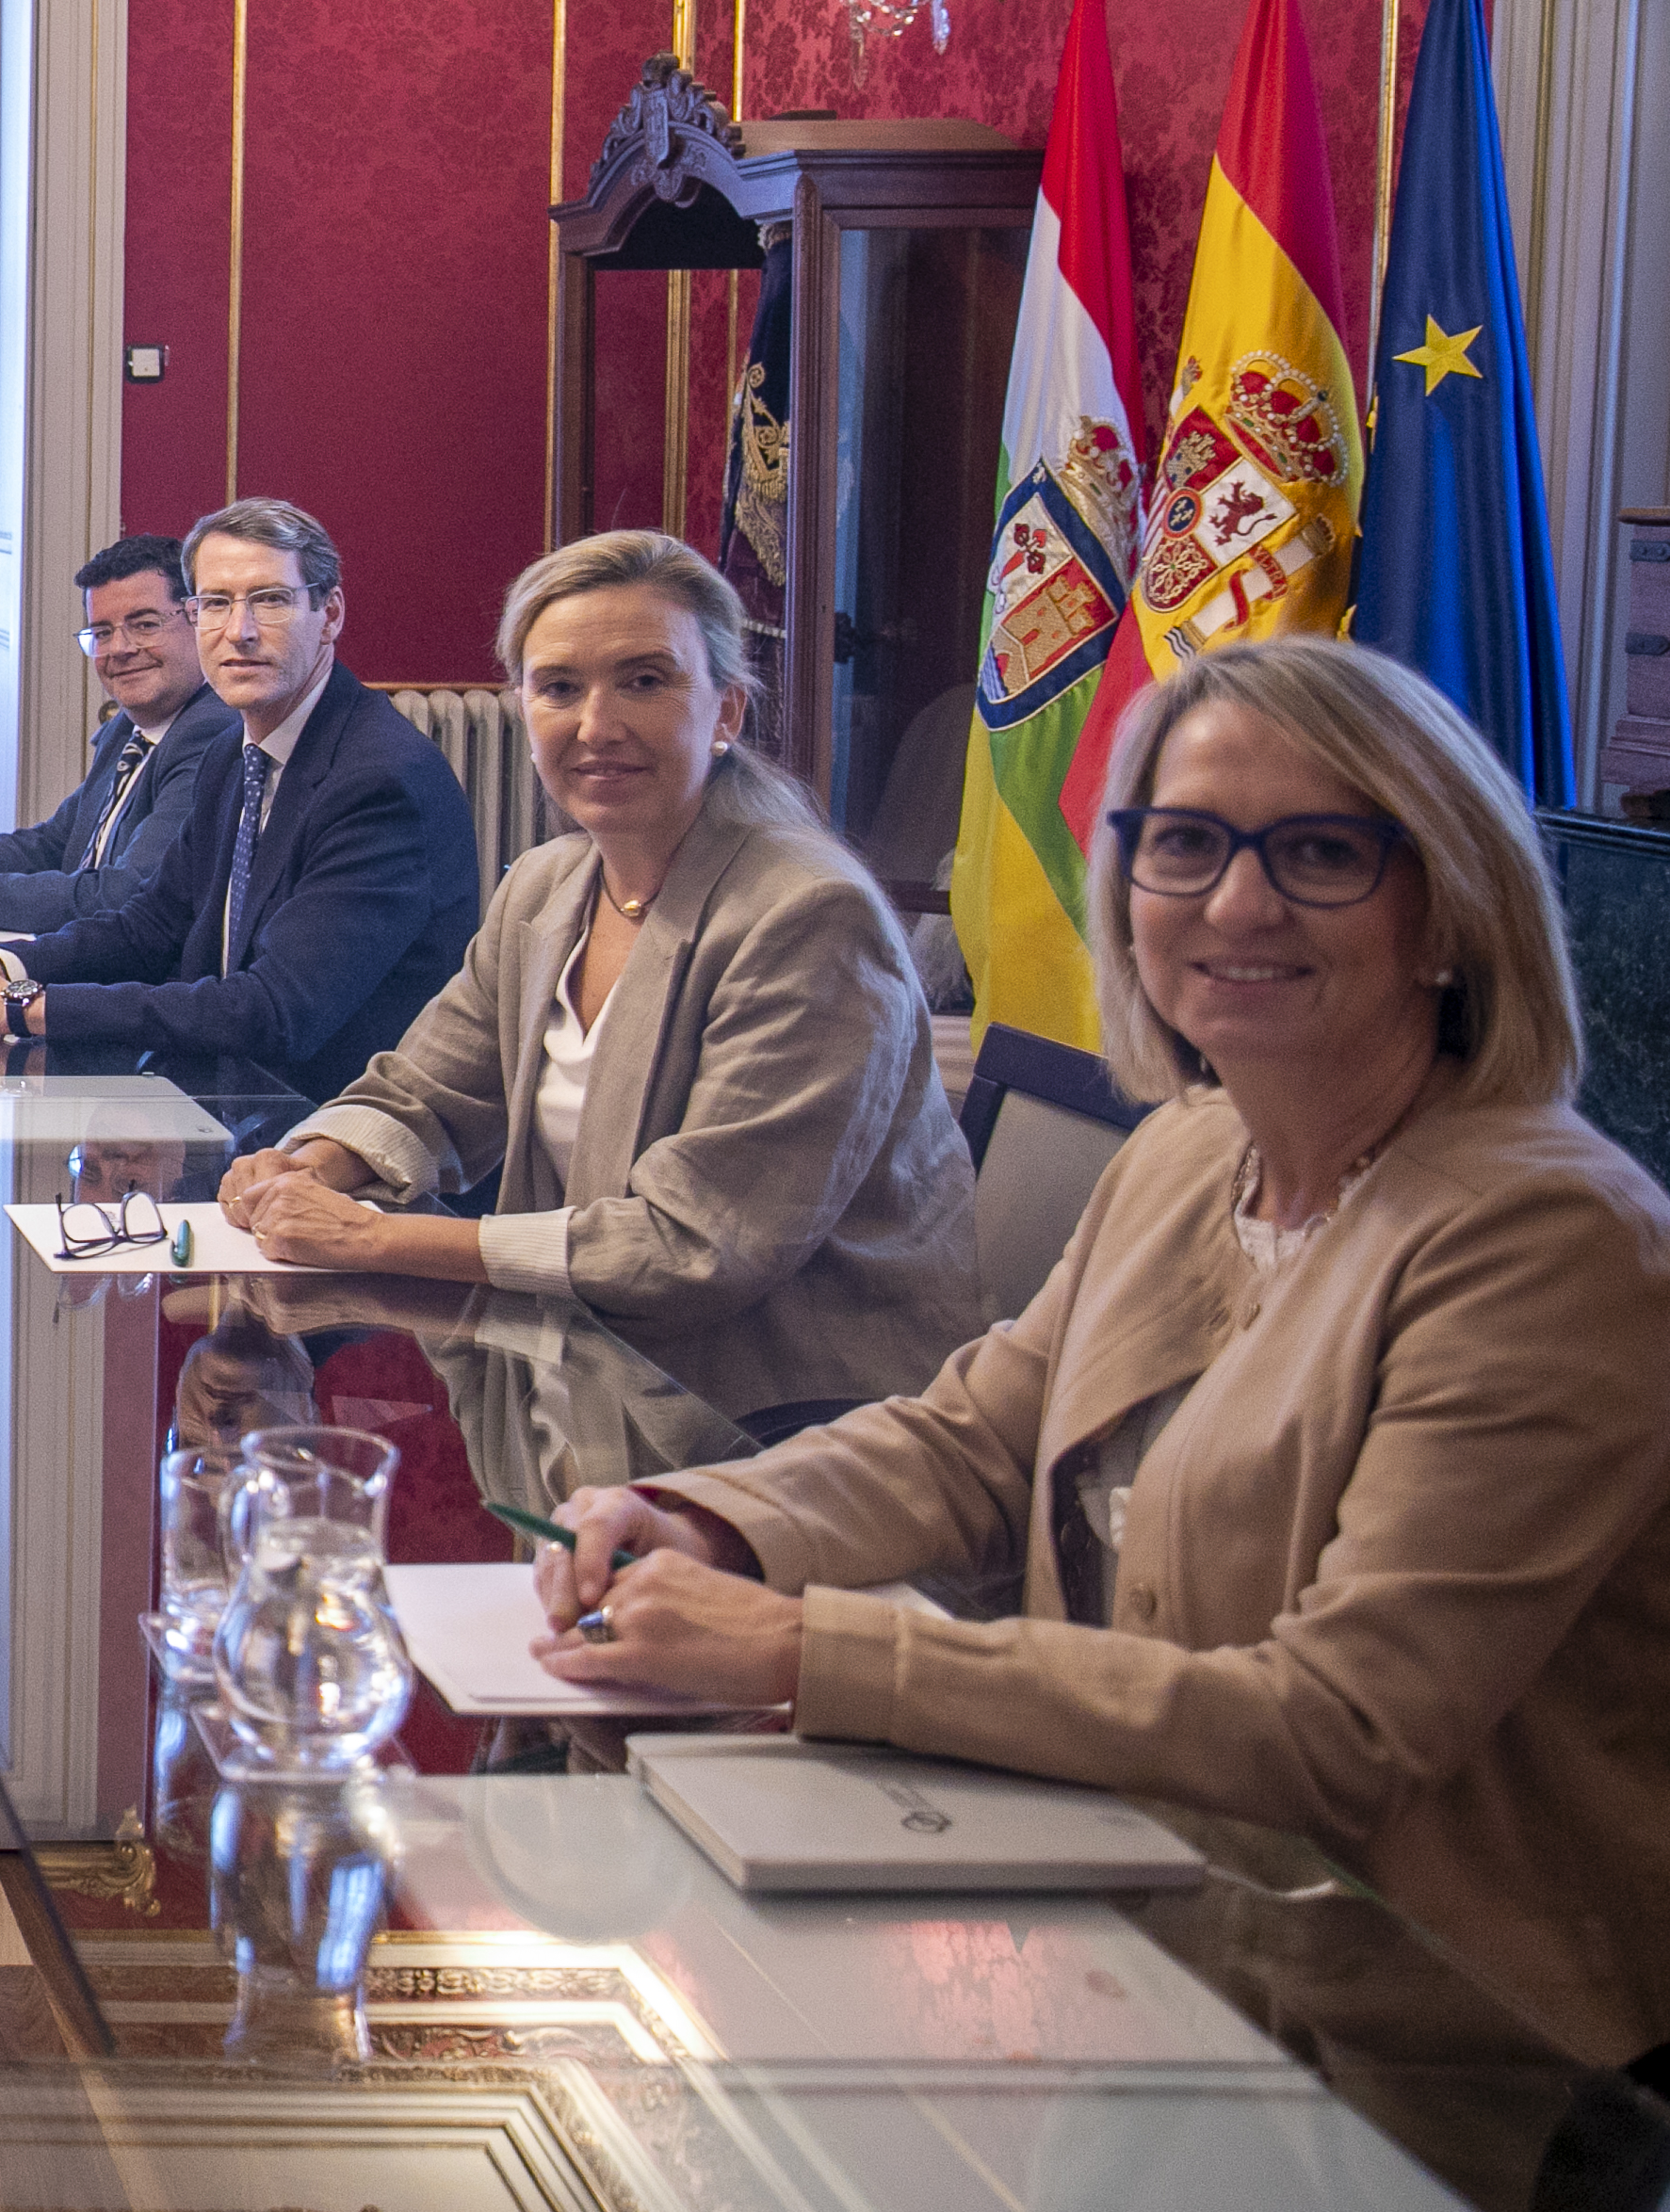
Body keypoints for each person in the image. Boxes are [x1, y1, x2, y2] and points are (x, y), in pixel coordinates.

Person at [533, 636, 1670, 2082]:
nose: (1233, 901)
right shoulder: (1196, 1147)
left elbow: (1334, 1730)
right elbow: (975, 1439)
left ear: (1444, 911)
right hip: (1149, 1927)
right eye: (1181, 844)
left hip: (1444, 2052)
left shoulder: (1547, 1239)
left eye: (1318, 851)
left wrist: (805, 1652)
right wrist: (713, 1519)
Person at [211, 531, 975, 1413]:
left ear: (726, 711)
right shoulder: (547, 886)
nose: (596, 726)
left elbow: (696, 1246)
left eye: (645, 681)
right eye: (560, 688)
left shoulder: (809, 917)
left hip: (792, 1424)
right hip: (584, 1384)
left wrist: (375, 1238)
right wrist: (311, 1164)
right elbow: (424, 1095)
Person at [0, 497, 480, 1100]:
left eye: (270, 600)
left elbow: (275, 1010)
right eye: (215, 603)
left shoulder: (379, 778)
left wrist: (24, 1006)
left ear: (330, 613)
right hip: (225, 1098)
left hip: (329, 1125)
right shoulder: (234, 752)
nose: (238, 631)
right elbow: (149, 925)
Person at [0, 535, 224, 930]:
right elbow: (52, 844)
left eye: (145, 625)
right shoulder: (128, 728)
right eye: (101, 633)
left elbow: (123, 895)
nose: (119, 648)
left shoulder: (210, 736)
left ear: (197, 618)